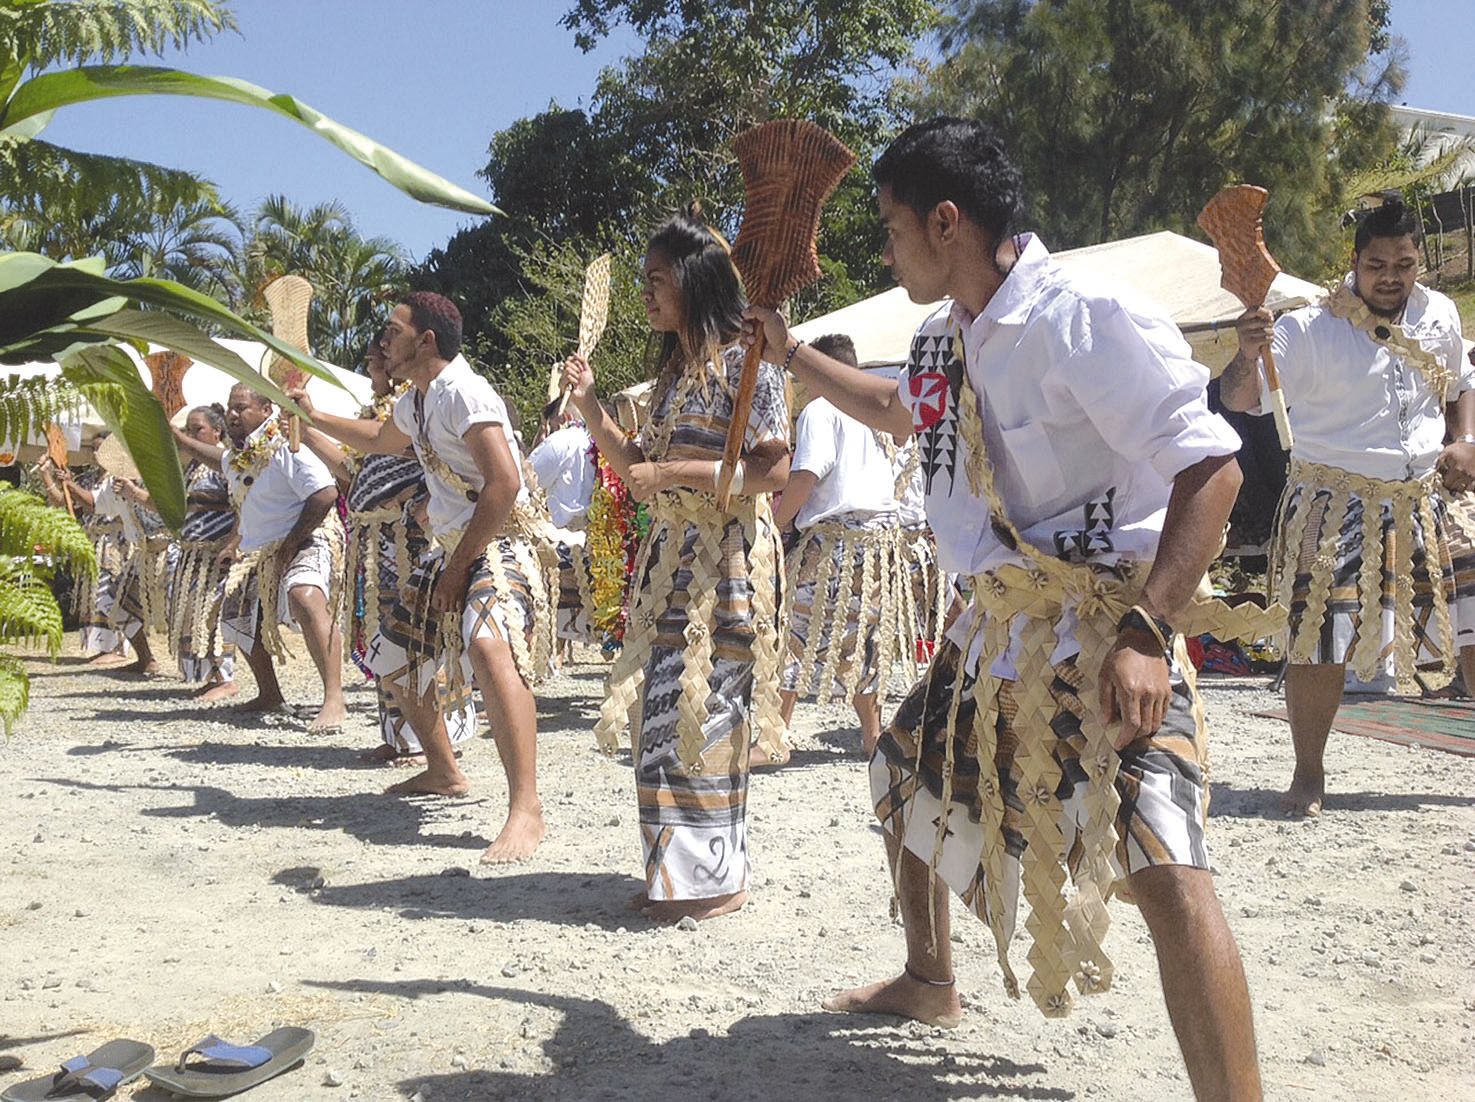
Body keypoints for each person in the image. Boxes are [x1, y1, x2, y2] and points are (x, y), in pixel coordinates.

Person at [744, 118, 1269, 1101]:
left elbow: (1212, 466)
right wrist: (789, 354)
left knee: (1163, 868)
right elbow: (898, 409)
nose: (887, 248)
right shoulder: (947, 337)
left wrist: (1148, 630)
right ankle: (927, 979)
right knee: (903, 773)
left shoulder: (1088, 315)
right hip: (988, 628)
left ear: (945, 222)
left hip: (1100, 624)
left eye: (894, 227)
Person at [560, 205, 790, 922]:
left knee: (710, 709)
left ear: (693, 281)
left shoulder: (747, 370)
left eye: (656, 279)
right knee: (659, 712)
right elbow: (636, 470)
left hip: (724, 565)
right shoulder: (667, 384)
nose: (645, 294)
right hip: (670, 564)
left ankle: (717, 880)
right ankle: (673, 875)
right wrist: (591, 403)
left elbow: (771, 472)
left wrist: (679, 472)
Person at [1220, 194, 1474, 815]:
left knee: (1474, 605)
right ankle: (1309, 775)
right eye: (1378, 264)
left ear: (1420, 262)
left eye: (1405, 264)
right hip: (1334, 501)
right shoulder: (1306, 328)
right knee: (1320, 637)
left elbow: (1463, 382)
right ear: (1355, 262)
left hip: (1425, 495)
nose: (1391, 277)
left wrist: (1464, 440)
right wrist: (1248, 351)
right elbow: (1236, 397)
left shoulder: (1438, 314)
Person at [289, 292, 549, 863]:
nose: (383, 341)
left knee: (488, 645)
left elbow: (503, 485)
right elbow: (381, 439)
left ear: (425, 340)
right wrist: (311, 417)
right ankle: (442, 770)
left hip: (498, 542)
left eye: (393, 330)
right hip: (454, 550)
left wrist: (458, 570)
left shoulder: (463, 392)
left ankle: (525, 809)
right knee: (392, 660)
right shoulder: (423, 399)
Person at [299, 336, 479, 765]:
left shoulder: (418, 406)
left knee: (414, 636)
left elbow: (446, 461)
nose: (372, 360)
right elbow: (350, 471)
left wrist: (424, 505)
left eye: (381, 354)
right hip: (372, 541)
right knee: (380, 633)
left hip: (410, 540)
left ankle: (429, 744)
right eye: (373, 355)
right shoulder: (381, 414)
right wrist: (306, 430)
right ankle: (397, 734)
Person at [774, 332, 909, 760]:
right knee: (866, 641)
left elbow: (807, 474)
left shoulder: (820, 409)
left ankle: (773, 735)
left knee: (792, 634)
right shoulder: (875, 417)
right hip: (879, 549)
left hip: (833, 544)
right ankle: (873, 738)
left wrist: (780, 521)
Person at [217, 384, 348, 731]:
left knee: (304, 595)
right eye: (229, 408)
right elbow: (246, 504)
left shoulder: (286, 444)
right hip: (259, 547)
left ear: (265, 410)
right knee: (234, 611)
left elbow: (324, 494)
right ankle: (270, 694)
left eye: (241, 407)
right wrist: (235, 542)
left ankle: (334, 698)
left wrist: (292, 543)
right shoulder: (231, 457)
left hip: (309, 534)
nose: (232, 414)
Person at [151, 405, 238, 701]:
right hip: (193, 555)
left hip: (217, 553)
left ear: (217, 432)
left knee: (213, 616)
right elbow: (171, 507)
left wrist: (232, 542)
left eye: (197, 429)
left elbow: (242, 503)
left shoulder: (227, 466)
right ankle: (212, 676)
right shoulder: (190, 468)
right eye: (187, 429)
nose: (190, 435)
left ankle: (227, 679)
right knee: (196, 617)